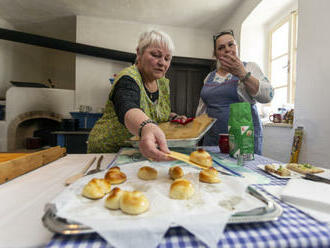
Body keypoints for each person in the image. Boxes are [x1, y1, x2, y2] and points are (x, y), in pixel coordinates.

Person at [88, 30, 186, 161]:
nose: (162, 62)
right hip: (108, 152)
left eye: (167, 58)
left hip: (137, 151)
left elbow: (155, 111)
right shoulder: (128, 78)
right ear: (139, 53)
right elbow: (128, 105)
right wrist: (147, 126)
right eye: (156, 55)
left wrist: (174, 117)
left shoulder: (163, 83)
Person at [196, 30, 273, 155]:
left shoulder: (250, 68)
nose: (227, 49)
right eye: (221, 48)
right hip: (213, 140)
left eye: (230, 44)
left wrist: (243, 74)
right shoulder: (209, 77)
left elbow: (268, 96)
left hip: (243, 141)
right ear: (215, 54)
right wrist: (195, 135)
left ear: (236, 47)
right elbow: (201, 110)